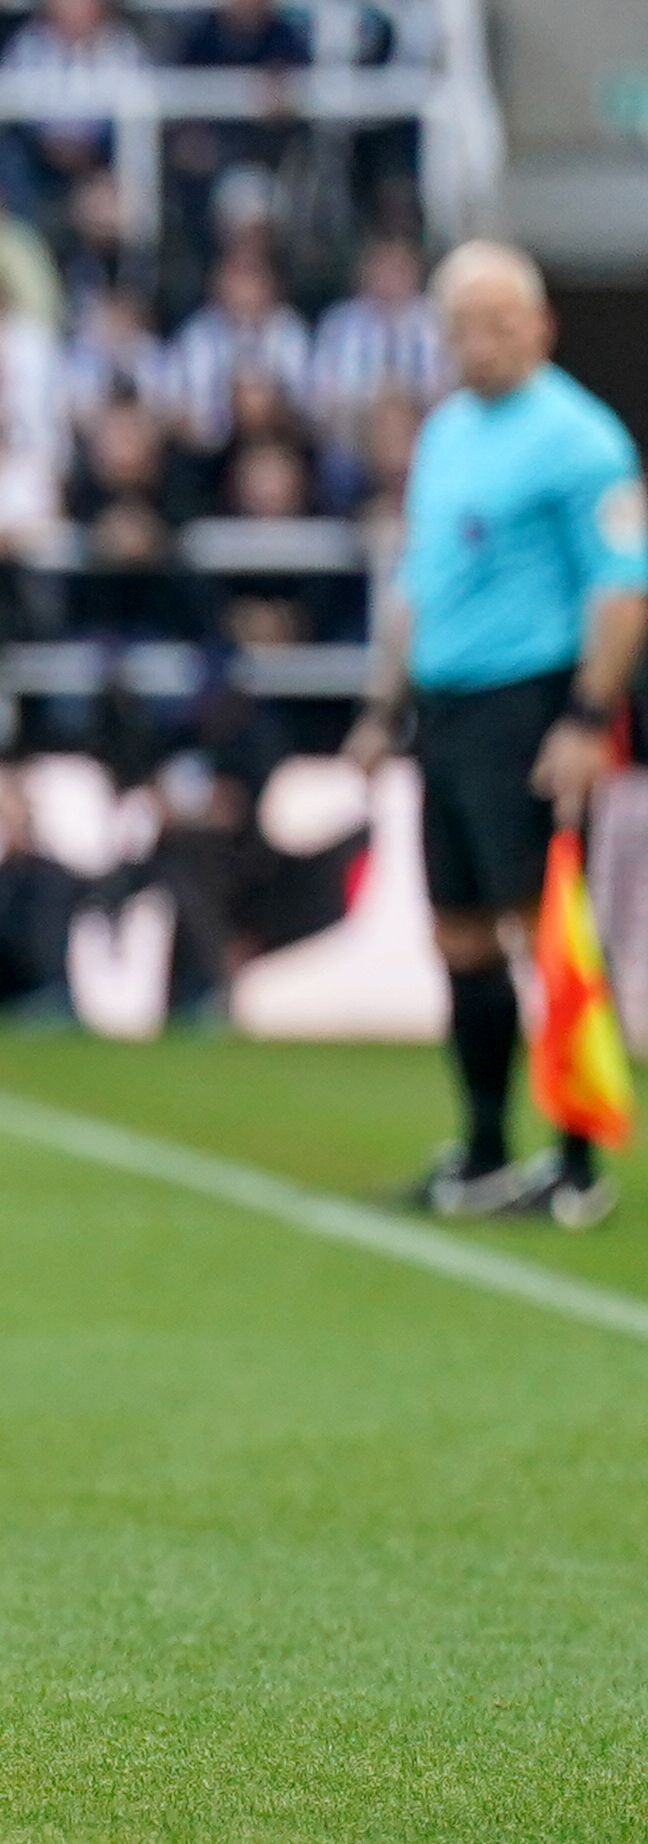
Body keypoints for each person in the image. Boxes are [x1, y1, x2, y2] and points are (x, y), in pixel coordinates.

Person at [345, 241, 648, 1230]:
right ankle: (481, 1149)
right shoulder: (445, 433)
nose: (472, 342)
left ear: (535, 324)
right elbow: (417, 585)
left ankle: (575, 1158)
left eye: (492, 321)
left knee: (545, 926)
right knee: (460, 934)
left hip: (528, 703)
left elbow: (619, 585)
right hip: (448, 709)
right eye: (458, 325)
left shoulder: (579, 440)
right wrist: (381, 707)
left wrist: (583, 716)